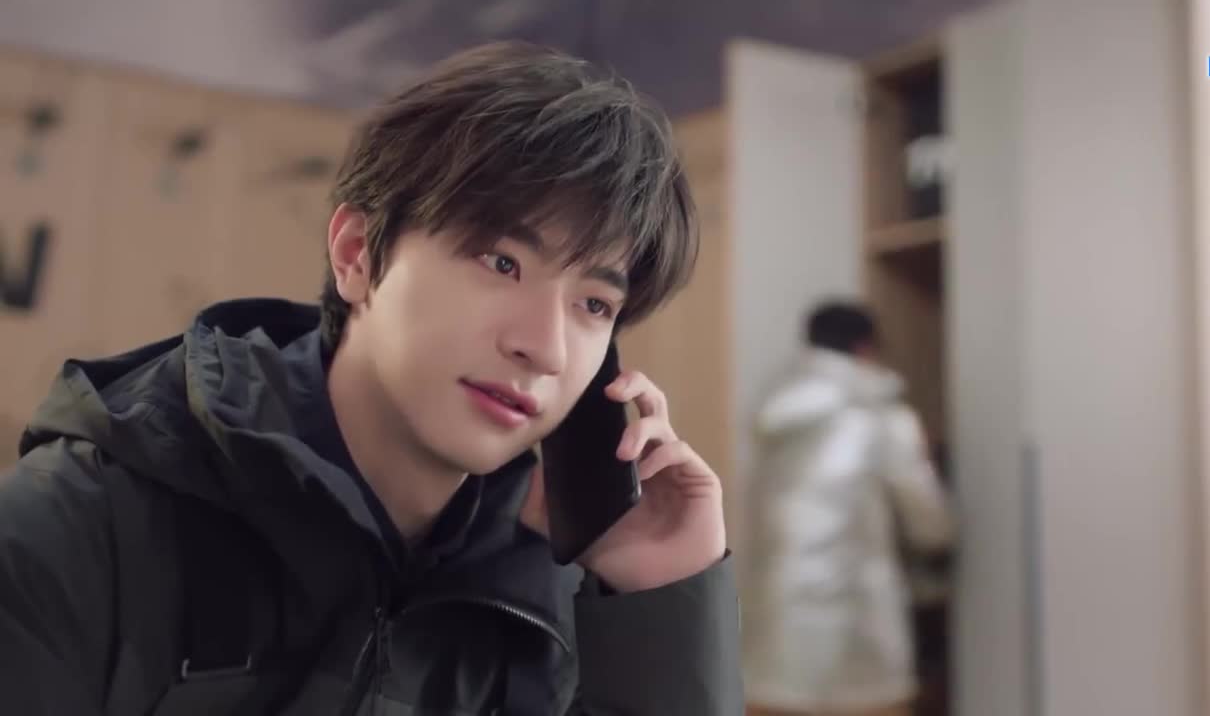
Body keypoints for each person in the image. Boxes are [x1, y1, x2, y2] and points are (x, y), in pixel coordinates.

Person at [0, 42, 742, 715]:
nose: (545, 349)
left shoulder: (563, 585)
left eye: (594, 304)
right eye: (501, 262)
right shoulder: (81, 528)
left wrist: (658, 606)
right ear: (357, 254)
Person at [741, 301, 953, 716]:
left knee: (777, 697)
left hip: (776, 601)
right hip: (856, 605)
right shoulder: (882, 415)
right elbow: (926, 518)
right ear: (865, 348)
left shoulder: (776, 410)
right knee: (867, 701)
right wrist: (945, 536)